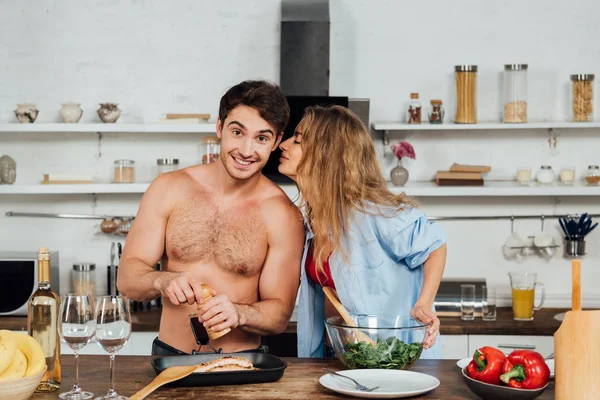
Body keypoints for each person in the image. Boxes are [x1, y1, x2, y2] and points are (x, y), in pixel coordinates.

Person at [117, 80, 305, 356]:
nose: (246, 150)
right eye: (238, 132)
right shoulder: (169, 188)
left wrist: (240, 313)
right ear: (219, 127)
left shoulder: (283, 214)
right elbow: (127, 279)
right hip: (170, 356)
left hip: (241, 362)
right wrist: (162, 280)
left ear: (276, 141)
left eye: (262, 138)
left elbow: (279, 315)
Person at [278, 105, 448, 358]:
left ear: (326, 154)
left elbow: (434, 244)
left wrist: (423, 303)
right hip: (342, 359)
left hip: (393, 361)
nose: (284, 144)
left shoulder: (372, 212)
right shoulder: (317, 219)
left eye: (298, 140)